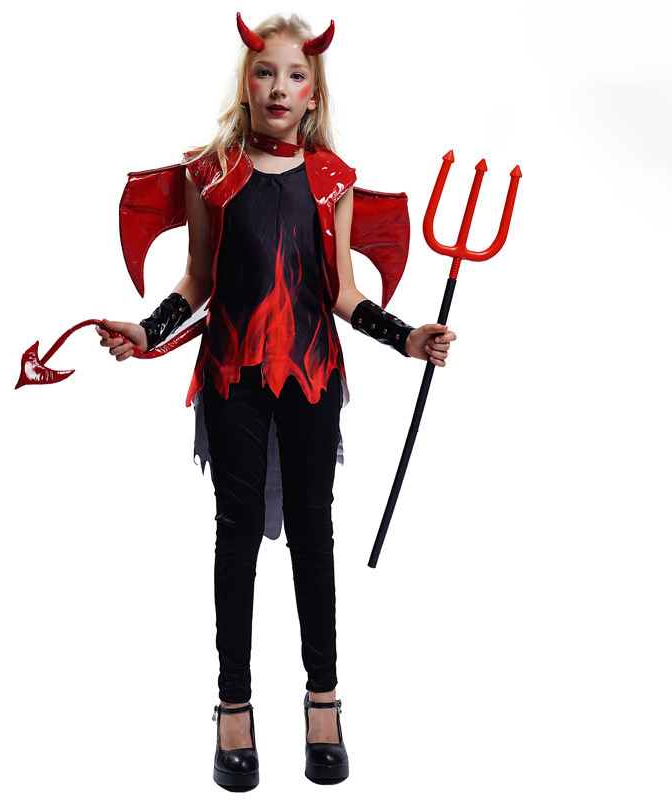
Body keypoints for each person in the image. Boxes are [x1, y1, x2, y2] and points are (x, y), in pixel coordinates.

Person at [96, 12, 456, 790]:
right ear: (246, 84)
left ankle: (324, 702)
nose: (280, 87)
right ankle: (234, 707)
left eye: (296, 75)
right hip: (233, 373)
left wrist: (406, 338)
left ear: (314, 91)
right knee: (234, 534)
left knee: (313, 533)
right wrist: (147, 331)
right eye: (266, 72)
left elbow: (343, 293)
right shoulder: (212, 174)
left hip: (312, 374)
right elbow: (198, 280)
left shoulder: (333, 181)